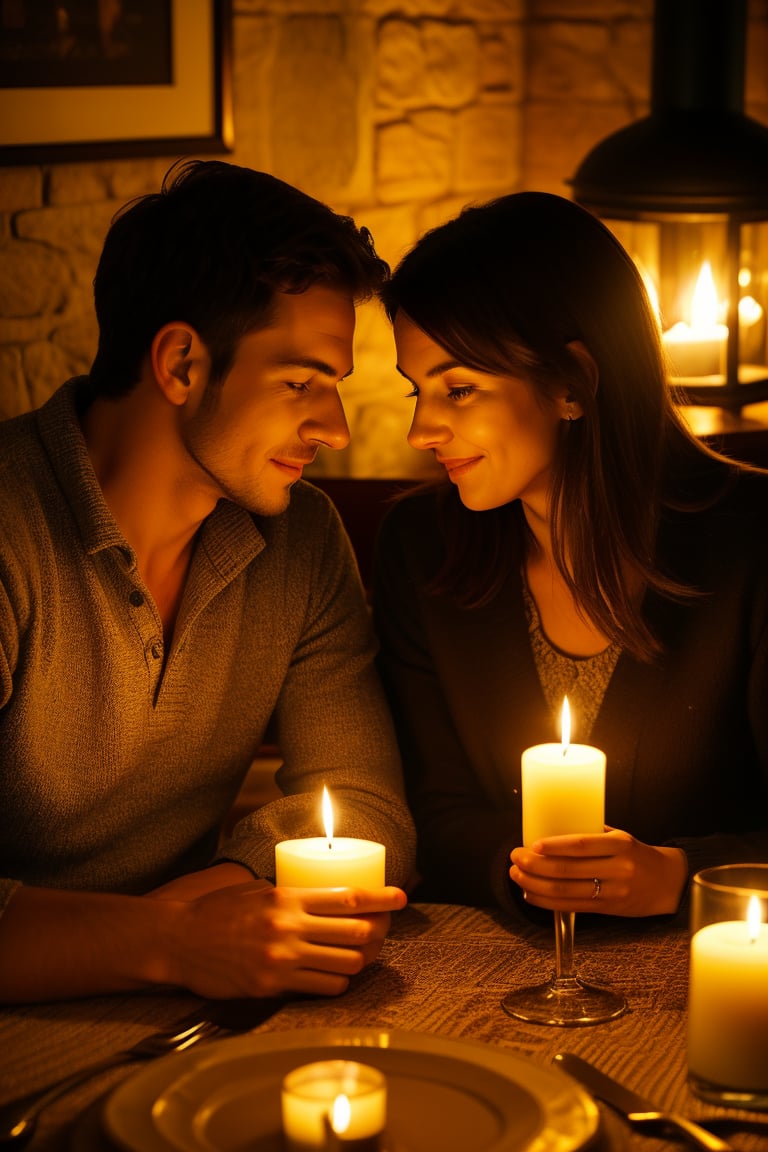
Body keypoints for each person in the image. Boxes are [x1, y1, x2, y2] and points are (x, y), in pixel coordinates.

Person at [0, 159, 416, 1003]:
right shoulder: (11, 528)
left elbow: (369, 810)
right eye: (301, 382)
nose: (334, 429)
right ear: (182, 363)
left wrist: (199, 915)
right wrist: (174, 939)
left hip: (183, 1000)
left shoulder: (299, 538)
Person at [372, 190, 768, 923]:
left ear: (572, 383)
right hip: (502, 966)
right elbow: (433, 805)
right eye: (416, 390)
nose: (422, 430)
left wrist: (679, 876)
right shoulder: (420, 549)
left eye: (459, 388)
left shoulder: (755, 541)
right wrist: (527, 875)